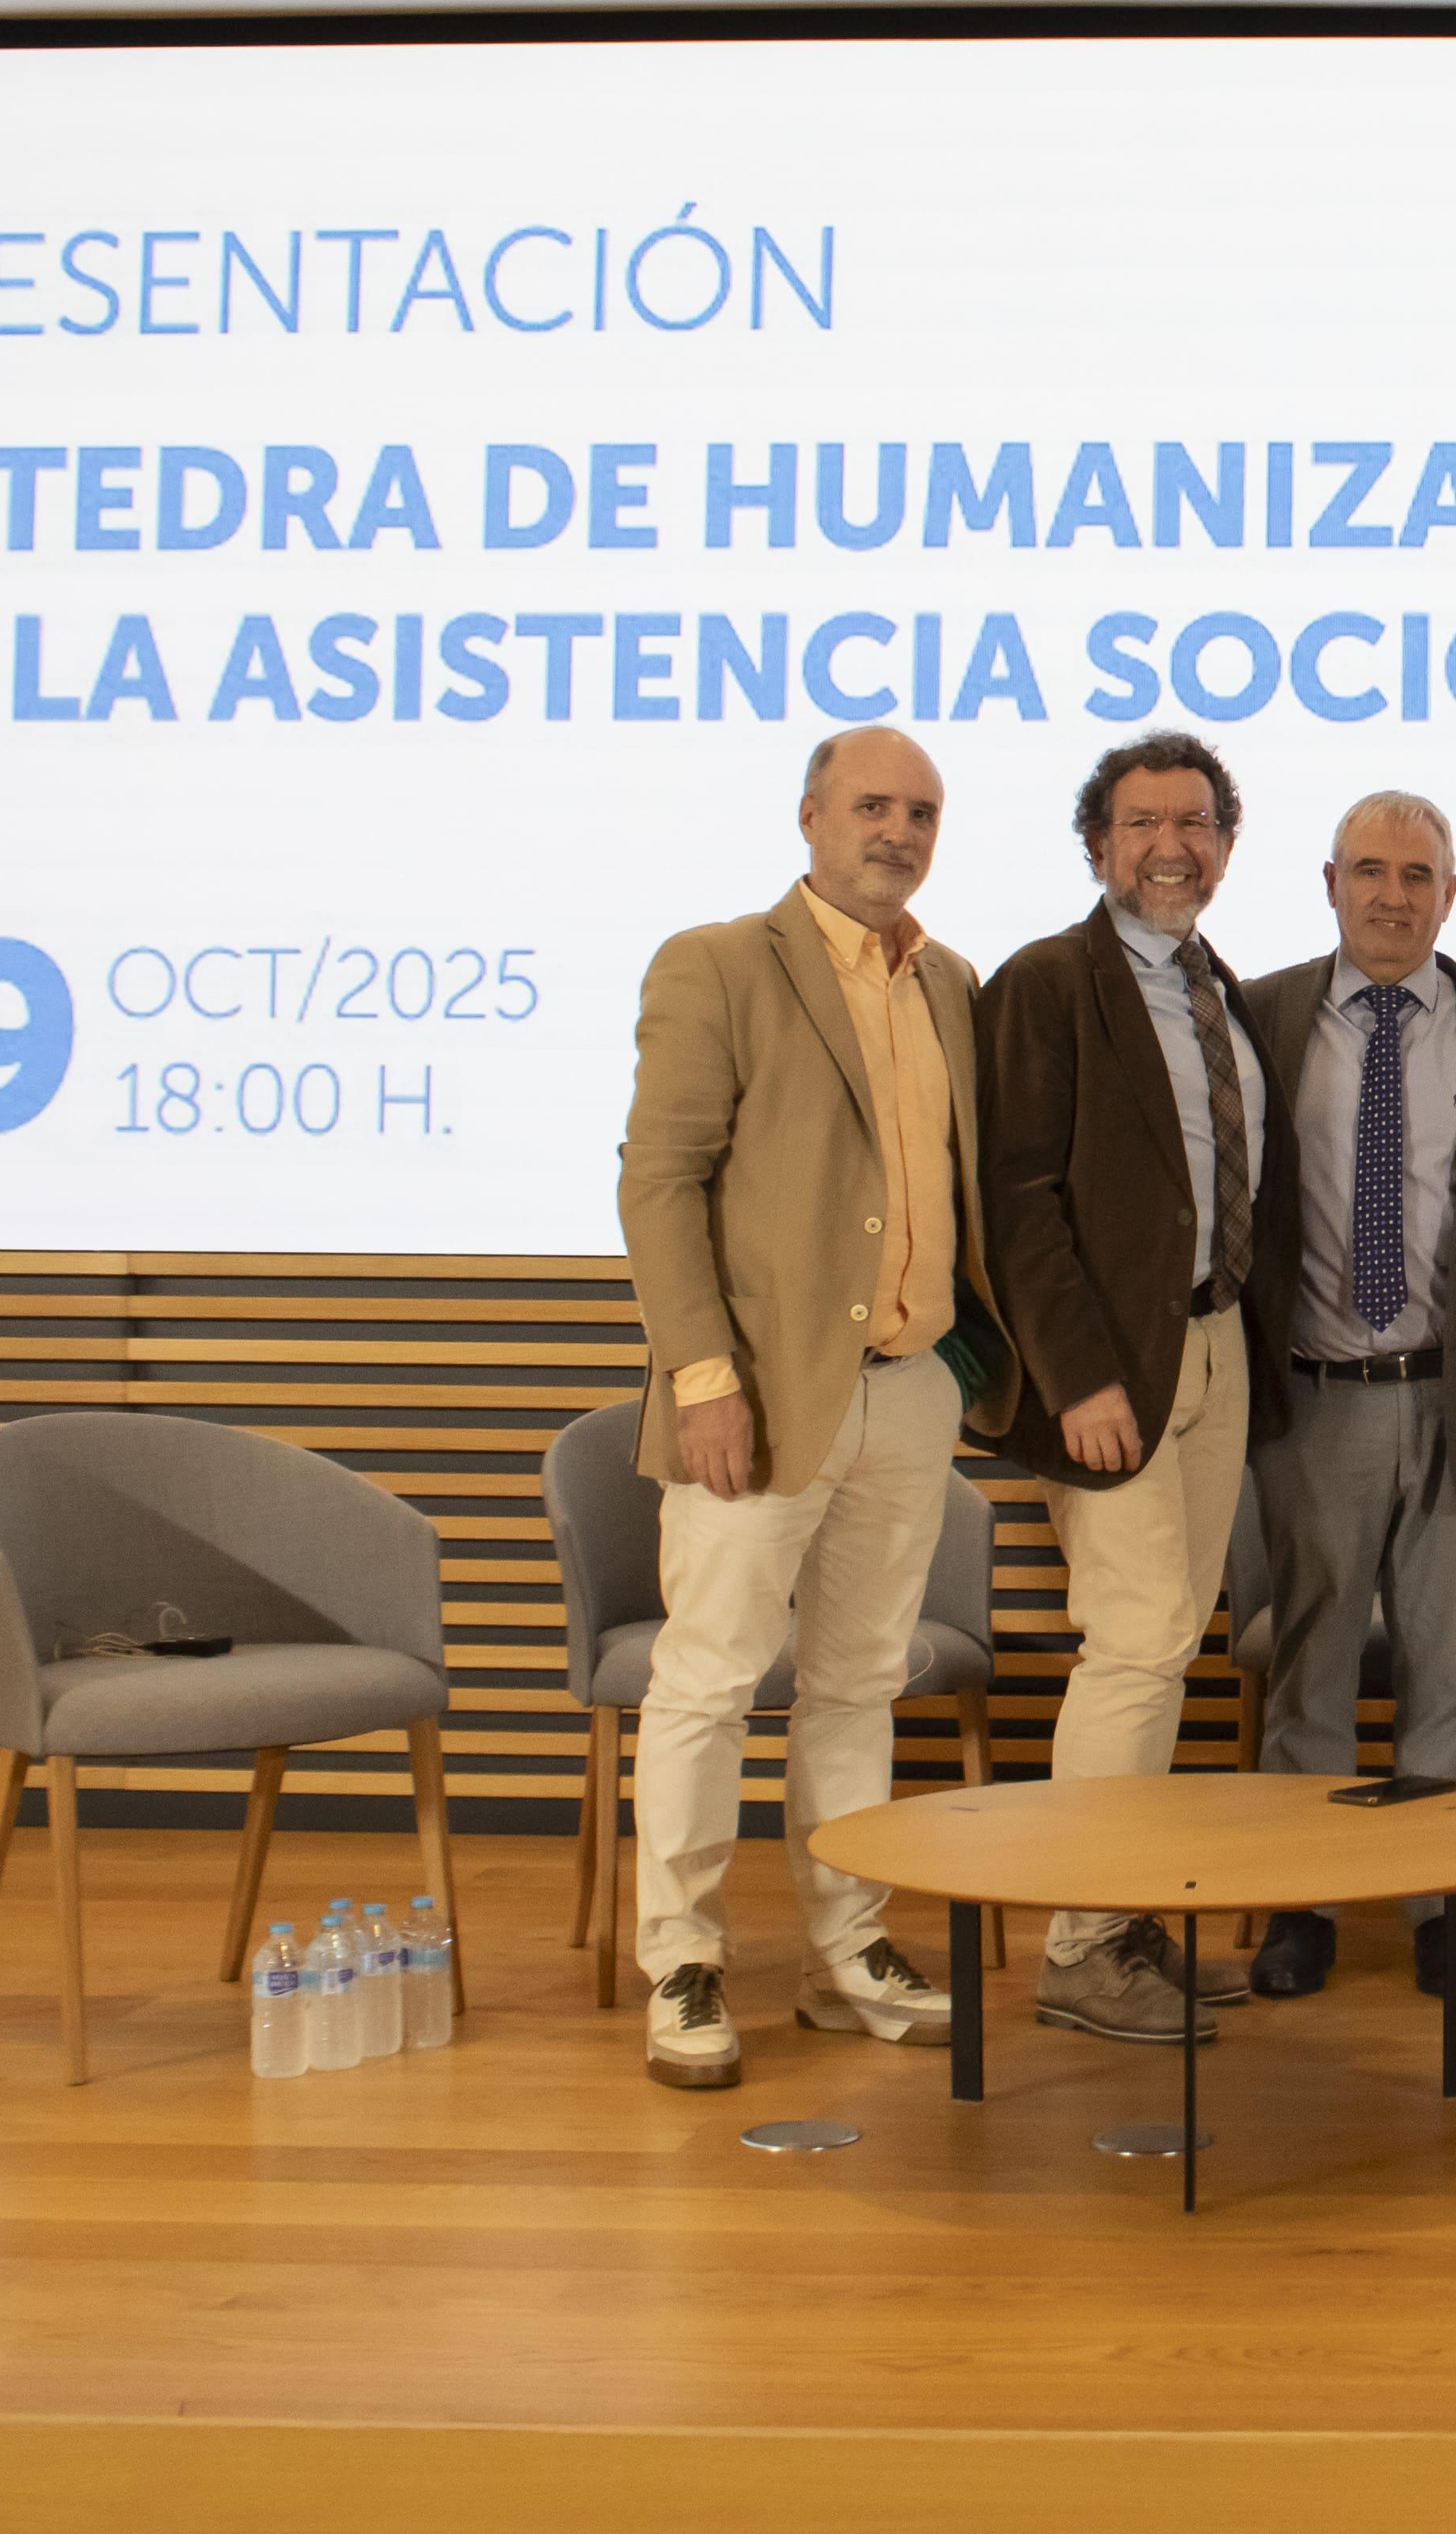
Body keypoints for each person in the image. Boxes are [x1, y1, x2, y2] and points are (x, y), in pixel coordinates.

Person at [610, 725, 994, 2092]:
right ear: (811, 817)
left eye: (923, 813)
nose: (899, 831)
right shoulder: (718, 963)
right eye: (874, 805)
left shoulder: (948, 981)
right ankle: (685, 1964)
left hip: (906, 1395)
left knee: (856, 1685)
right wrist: (703, 1378)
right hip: (761, 1400)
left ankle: (848, 1953)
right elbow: (659, 1183)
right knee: (709, 1681)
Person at [1237, 792, 1456, 2003]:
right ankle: (1304, 1907)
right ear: (1328, 881)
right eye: (1370, 871)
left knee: (1451, 1671)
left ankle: (1449, 1907)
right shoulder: (1259, 1018)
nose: (1393, 895)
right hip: (1312, 1398)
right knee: (1312, 1666)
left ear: (1453, 894)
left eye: (1418, 875)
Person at [975, 730, 1301, 2047]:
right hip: (1114, 1370)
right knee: (1133, 1641)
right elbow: (1018, 1200)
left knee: (1166, 1636)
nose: (1171, 845)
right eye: (1142, 823)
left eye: (1196, 822)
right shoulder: (1049, 982)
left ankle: (1120, 1914)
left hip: (1215, 1348)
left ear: (1227, 841)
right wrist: (1079, 1379)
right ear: (1097, 845)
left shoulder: (1215, 985)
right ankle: (1081, 1939)